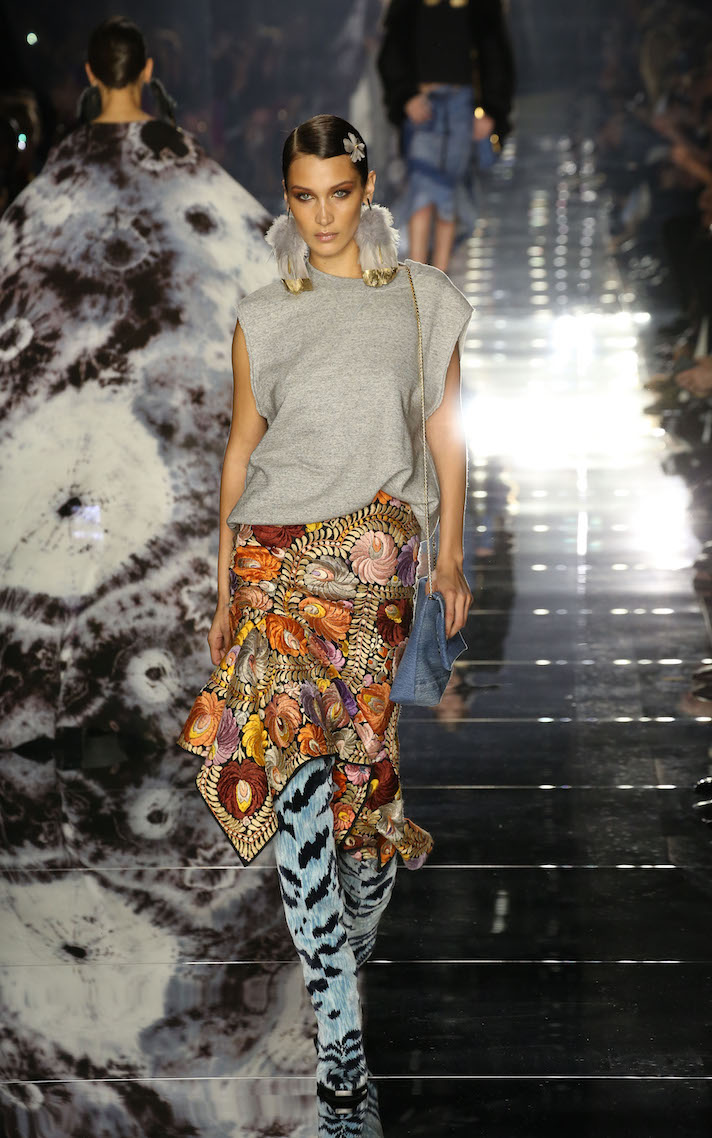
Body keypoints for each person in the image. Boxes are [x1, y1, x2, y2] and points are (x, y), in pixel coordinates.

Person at [175, 113, 473, 1115]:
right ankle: (340, 1035)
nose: (323, 215)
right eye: (304, 197)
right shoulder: (264, 314)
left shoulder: (421, 299)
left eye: (338, 193)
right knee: (298, 782)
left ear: (367, 188)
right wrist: (226, 581)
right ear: (288, 200)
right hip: (273, 566)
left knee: (361, 794)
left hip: (376, 570)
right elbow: (239, 449)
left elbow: (445, 431)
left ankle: (352, 930)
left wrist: (453, 555)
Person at [0, 17, 275, 753]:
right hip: (160, 410)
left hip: (72, 406)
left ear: (91, 76)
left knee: (79, 530)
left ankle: (77, 673)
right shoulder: (191, 172)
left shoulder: (55, 184)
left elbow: (16, 274)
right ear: (147, 71)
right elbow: (257, 252)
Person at [376, 0, 515, 270]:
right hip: (422, 103)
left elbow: (496, 53)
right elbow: (392, 50)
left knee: (448, 187)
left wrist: (490, 109)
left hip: (462, 105)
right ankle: (418, 275)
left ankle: (438, 276)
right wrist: (405, 96)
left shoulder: (482, 6)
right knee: (422, 184)